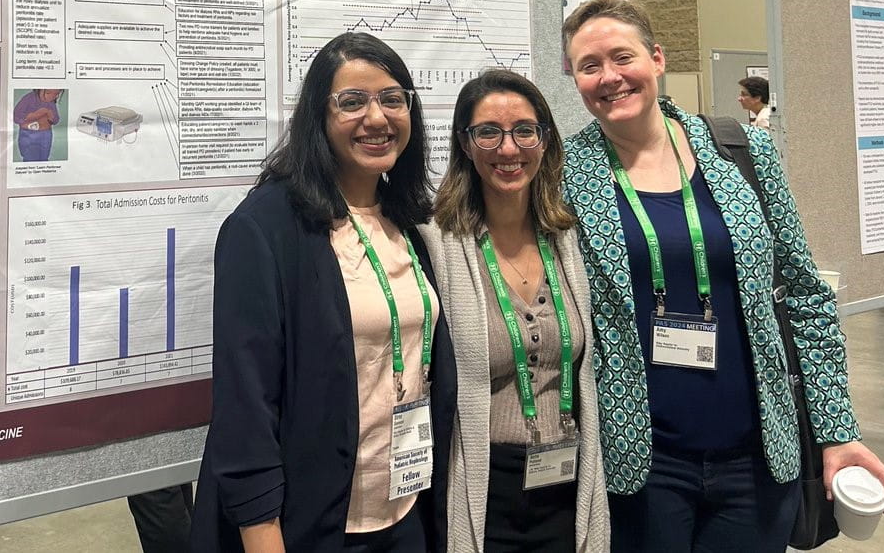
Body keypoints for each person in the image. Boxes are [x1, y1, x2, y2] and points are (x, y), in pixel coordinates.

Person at [560, 0, 884, 552]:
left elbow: (807, 296)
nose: (609, 78)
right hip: (640, 463)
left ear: (657, 59)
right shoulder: (567, 175)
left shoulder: (741, 151)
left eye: (623, 58)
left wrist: (837, 432)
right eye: (588, 67)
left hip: (757, 458)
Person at [189, 32, 456, 552]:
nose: (376, 118)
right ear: (318, 116)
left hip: (405, 508)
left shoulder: (412, 221)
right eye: (351, 101)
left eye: (392, 99)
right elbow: (246, 405)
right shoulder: (264, 228)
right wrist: (262, 536)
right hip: (308, 525)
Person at [422, 69, 609, 553]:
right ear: (465, 144)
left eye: (525, 130)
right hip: (487, 485)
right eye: (489, 132)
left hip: (569, 479)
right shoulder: (437, 245)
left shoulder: (567, 239)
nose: (509, 149)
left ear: (544, 140)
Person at [13, 88, 63, 161]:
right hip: (29, 134)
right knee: (30, 158)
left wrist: (51, 117)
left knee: (44, 158)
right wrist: (37, 114)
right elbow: (16, 117)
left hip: (45, 135)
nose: (54, 97)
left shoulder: (51, 103)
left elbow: (56, 120)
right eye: (49, 93)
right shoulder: (28, 99)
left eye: (57, 94)